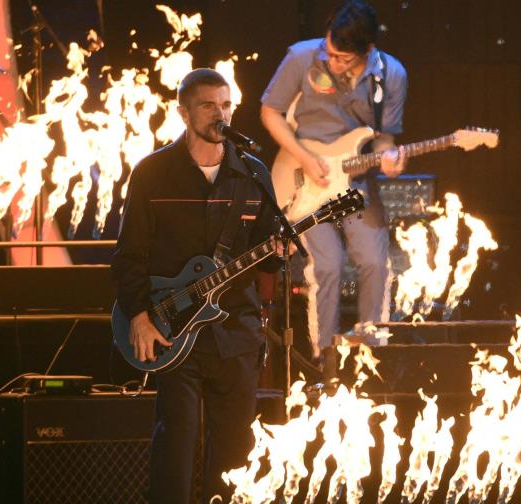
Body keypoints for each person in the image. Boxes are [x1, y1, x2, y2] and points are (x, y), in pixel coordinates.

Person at [111, 68, 283, 503]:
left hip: (236, 332)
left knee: (234, 456)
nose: (220, 114)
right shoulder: (152, 173)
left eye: (226, 105)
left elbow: (267, 245)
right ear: (184, 112)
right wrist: (139, 315)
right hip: (173, 332)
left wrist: (279, 254)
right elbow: (129, 253)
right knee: (176, 447)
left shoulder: (252, 173)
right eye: (209, 105)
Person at [260, 0, 407, 360]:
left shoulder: (391, 74)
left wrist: (389, 158)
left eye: (343, 58)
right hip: (305, 176)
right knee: (328, 264)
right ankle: (323, 354)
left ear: (367, 50)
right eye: (329, 52)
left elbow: (385, 136)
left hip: (356, 178)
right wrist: (305, 159)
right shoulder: (301, 57)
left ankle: (371, 351)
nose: (333, 62)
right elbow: (269, 112)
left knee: (375, 260)